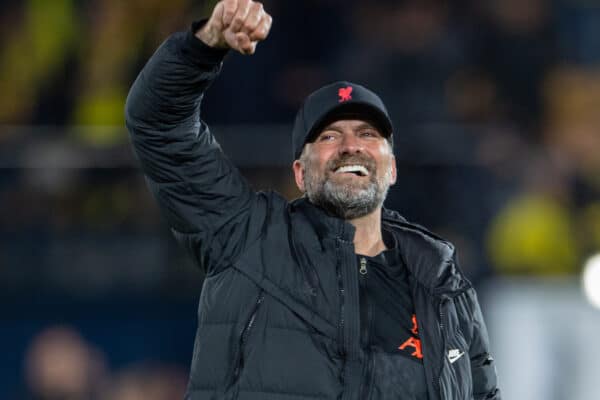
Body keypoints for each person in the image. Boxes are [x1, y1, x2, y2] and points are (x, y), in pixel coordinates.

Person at [125, 1, 501, 399]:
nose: (350, 146)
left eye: (368, 134)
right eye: (328, 136)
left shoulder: (440, 281)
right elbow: (158, 122)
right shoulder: (247, 236)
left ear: (392, 168)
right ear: (300, 173)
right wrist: (205, 45)